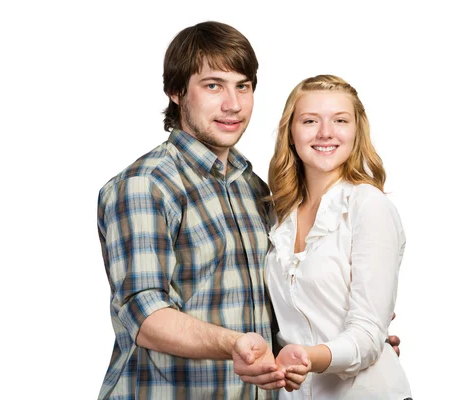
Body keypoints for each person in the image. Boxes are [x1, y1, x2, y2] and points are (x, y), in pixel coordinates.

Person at [96, 21, 402, 399]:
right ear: (176, 92)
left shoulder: (254, 189)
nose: (233, 104)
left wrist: (345, 341)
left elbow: (269, 302)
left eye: (243, 85)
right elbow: (144, 316)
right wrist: (233, 344)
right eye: (213, 86)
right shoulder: (147, 185)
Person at [265, 74, 412, 399]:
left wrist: (307, 357)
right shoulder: (278, 215)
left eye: (340, 120)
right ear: (291, 132)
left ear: (356, 131)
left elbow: (368, 333)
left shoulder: (368, 206)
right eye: (310, 121)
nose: (325, 132)